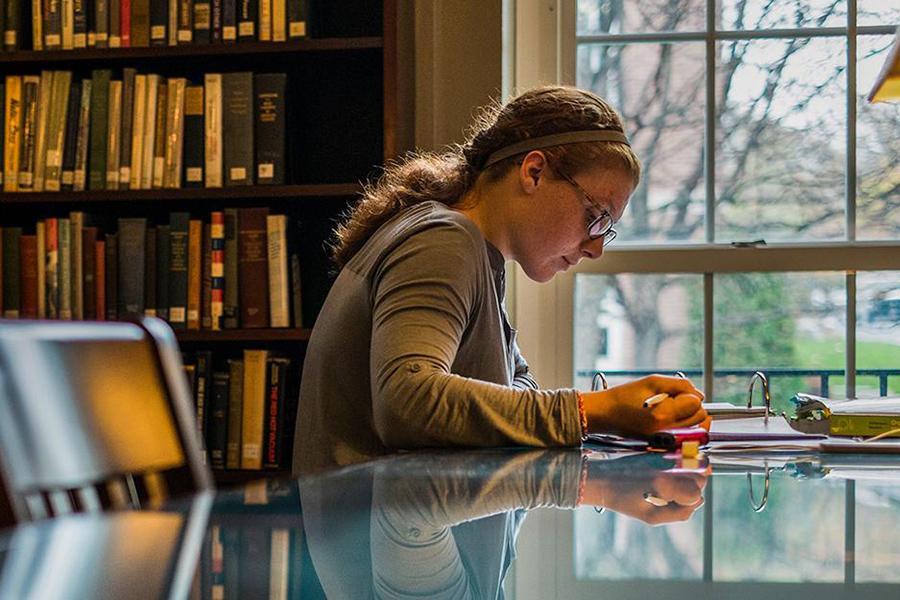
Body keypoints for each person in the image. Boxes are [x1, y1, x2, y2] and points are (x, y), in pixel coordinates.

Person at [292, 86, 709, 476]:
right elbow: (408, 400)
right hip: (386, 538)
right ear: (534, 172)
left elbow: (516, 386)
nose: (595, 247)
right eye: (596, 217)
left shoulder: (476, 254)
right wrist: (591, 411)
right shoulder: (443, 242)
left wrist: (601, 417)